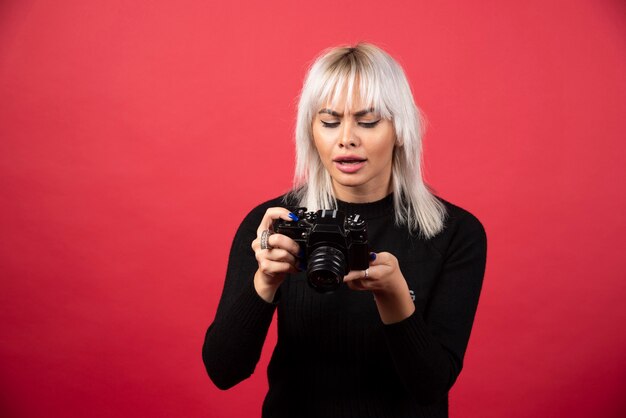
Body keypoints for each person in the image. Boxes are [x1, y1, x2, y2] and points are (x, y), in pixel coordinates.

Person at [203, 43, 487, 418]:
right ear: (311, 131)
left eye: (368, 122)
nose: (346, 138)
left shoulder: (454, 233)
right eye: (330, 121)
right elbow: (224, 371)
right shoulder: (277, 224)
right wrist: (265, 283)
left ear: (400, 129)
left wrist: (395, 297)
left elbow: (430, 386)